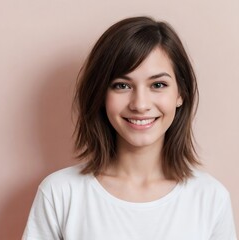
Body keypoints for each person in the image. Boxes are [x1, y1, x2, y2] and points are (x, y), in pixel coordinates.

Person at [22, 16, 237, 240]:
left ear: (180, 94)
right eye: (122, 85)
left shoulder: (210, 198)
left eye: (158, 85)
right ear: (101, 95)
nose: (140, 104)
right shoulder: (60, 193)